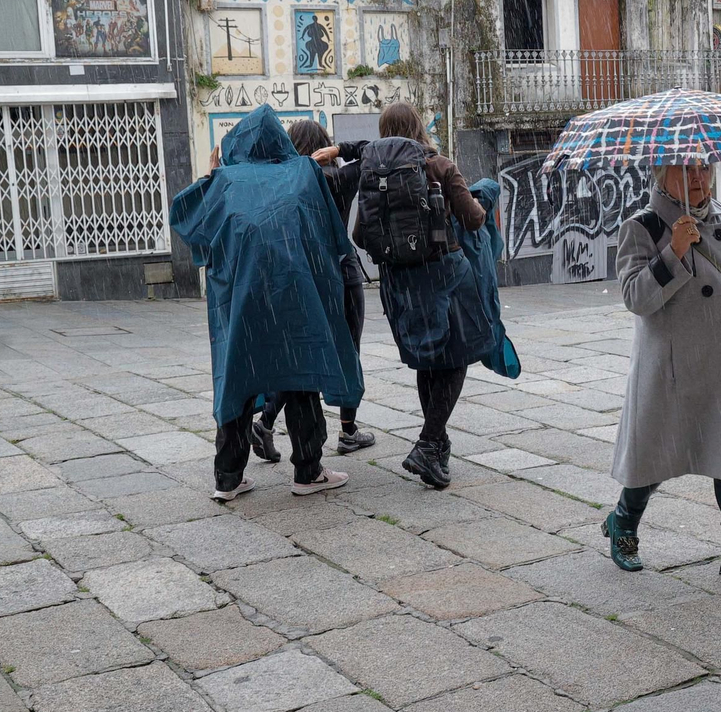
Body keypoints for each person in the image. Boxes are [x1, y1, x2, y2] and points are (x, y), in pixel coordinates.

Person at [604, 162, 721, 583]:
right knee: (654, 454)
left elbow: (720, 283)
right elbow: (635, 297)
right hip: (672, 364)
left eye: (704, 167)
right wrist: (674, 251)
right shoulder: (643, 226)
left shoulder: (719, 214)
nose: (698, 177)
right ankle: (622, 524)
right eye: (685, 169)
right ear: (659, 173)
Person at [169, 105, 360, 501]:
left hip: (241, 300)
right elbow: (330, 233)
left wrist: (210, 174)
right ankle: (308, 470)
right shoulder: (303, 174)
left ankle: (228, 478)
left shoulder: (224, 182)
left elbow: (186, 218)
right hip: (296, 294)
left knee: (237, 380)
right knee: (302, 375)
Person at [366, 102, 498, 489]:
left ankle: (437, 446)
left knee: (427, 361)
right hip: (445, 275)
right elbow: (473, 217)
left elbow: (361, 235)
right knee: (456, 356)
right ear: (417, 127)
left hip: (400, 284)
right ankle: (428, 443)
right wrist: (478, 206)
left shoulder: (373, 173)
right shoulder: (437, 164)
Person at [252, 120, 376, 462]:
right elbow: (373, 153)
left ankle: (265, 421)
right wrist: (342, 150)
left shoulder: (286, 181)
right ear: (323, 145)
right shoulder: (339, 178)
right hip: (341, 272)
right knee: (348, 349)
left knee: (299, 354)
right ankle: (348, 431)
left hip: (302, 274)